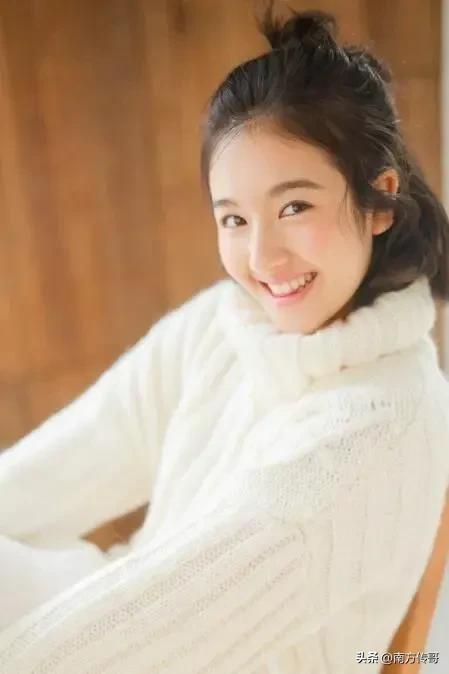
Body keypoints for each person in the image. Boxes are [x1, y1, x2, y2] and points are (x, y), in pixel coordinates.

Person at [0, 4, 448, 673]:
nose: (262, 258)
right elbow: (41, 478)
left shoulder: (375, 431)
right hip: (117, 629)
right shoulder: (226, 321)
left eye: (293, 206)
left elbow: (105, 646)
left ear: (379, 199)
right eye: (234, 219)